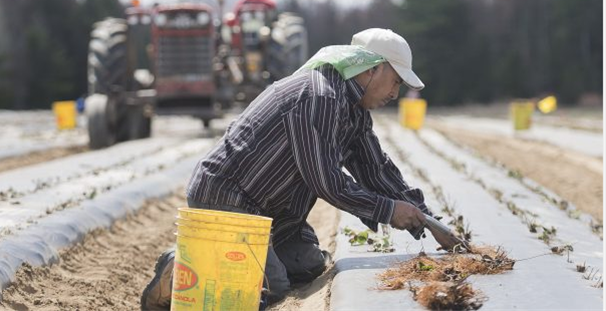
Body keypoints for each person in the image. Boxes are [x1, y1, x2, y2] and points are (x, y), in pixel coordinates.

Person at [141, 28, 450, 311]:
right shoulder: (319, 96)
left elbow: (376, 169)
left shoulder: (355, 112)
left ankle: (216, 257)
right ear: (373, 68)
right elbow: (326, 181)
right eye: (396, 81)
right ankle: (184, 267)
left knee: (309, 265)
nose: (395, 93)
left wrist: (430, 220)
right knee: (266, 290)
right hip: (228, 199)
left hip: (272, 214)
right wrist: (388, 210)